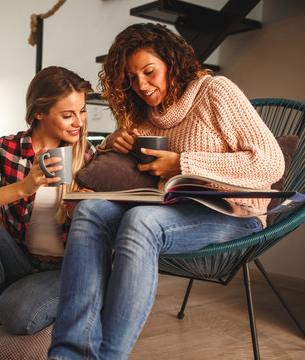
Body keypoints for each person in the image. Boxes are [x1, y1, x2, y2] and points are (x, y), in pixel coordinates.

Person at [48, 23, 285, 360]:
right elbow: (114, 170)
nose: (142, 85)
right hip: (175, 208)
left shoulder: (216, 91)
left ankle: (106, 356)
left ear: (172, 63)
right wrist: (110, 146)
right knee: (90, 211)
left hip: (235, 213)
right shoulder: (145, 115)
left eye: (149, 71)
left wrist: (184, 163)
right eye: (132, 78)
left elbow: (270, 164)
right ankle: (68, 354)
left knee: (142, 221)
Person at [0, 66, 96, 342]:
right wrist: (22, 187)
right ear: (39, 112)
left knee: (17, 314)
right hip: (21, 259)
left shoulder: (87, 155)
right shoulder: (4, 150)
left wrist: (87, 209)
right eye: (68, 115)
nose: (79, 122)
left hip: (67, 267)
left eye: (82, 111)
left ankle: (67, 301)